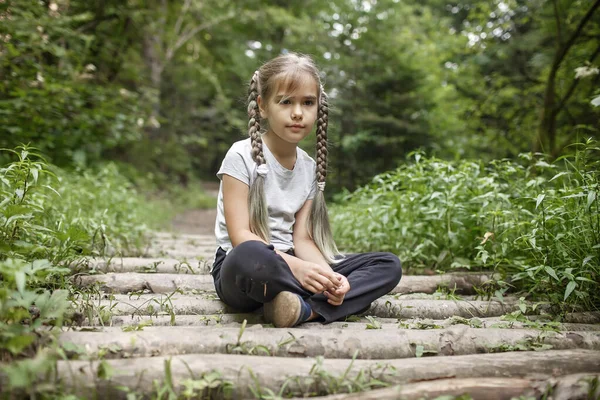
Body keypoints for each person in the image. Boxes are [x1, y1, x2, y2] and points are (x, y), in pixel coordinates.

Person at [211, 52, 402, 328]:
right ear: (263, 106)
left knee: (388, 265)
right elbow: (240, 236)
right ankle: (312, 298)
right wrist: (297, 269)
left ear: (318, 107)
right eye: (286, 101)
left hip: (295, 260)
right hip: (250, 268)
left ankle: (302, 308)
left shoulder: (310, 168)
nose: (298, 112)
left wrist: (328, 277)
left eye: (308, 102)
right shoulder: (241, 155)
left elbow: (302, 241)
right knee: (249, 258)